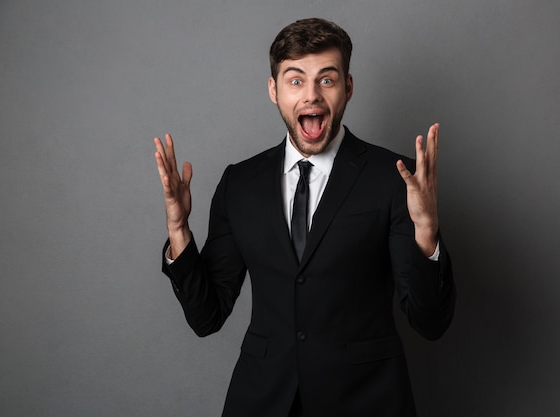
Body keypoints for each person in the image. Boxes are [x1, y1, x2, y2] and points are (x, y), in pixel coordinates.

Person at [154, 17, 456, 417]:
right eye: (295, 81)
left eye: (326, 80)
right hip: (263, 400)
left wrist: (427, 231)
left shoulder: (394, 178)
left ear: (347, 87)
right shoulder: (239, 183)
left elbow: (429, 321)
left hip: (367, 400)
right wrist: (178, 230)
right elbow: (206, 316)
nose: (311, 96)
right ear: (273, 90)